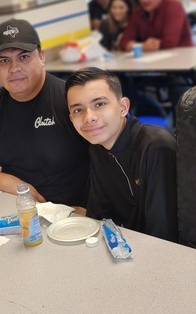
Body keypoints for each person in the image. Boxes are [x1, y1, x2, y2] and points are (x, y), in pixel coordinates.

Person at [0, 19, 90, 206]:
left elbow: (110, 160)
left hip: (73, 213)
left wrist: (90, 211)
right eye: (4, 61)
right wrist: (11, 183)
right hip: (20, 210)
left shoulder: (70, 99)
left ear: (42, 57)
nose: (14, 69)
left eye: (23, 57)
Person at [65, 68, 178, 241]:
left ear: (123, 107)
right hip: (127, 244)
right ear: (71, 118)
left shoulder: (156, 147)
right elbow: (100, 216)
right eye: (78, 110)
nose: (89, 117)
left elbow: (163, 234)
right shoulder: (97, 146)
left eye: (99, 104)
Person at [118, 0, 193, 52]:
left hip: (182, 53)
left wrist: (137, 45)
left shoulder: (173, 6)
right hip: (153, 56)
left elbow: (170, 42)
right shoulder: (138, 13)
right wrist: (142, 46)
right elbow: (123, 43)